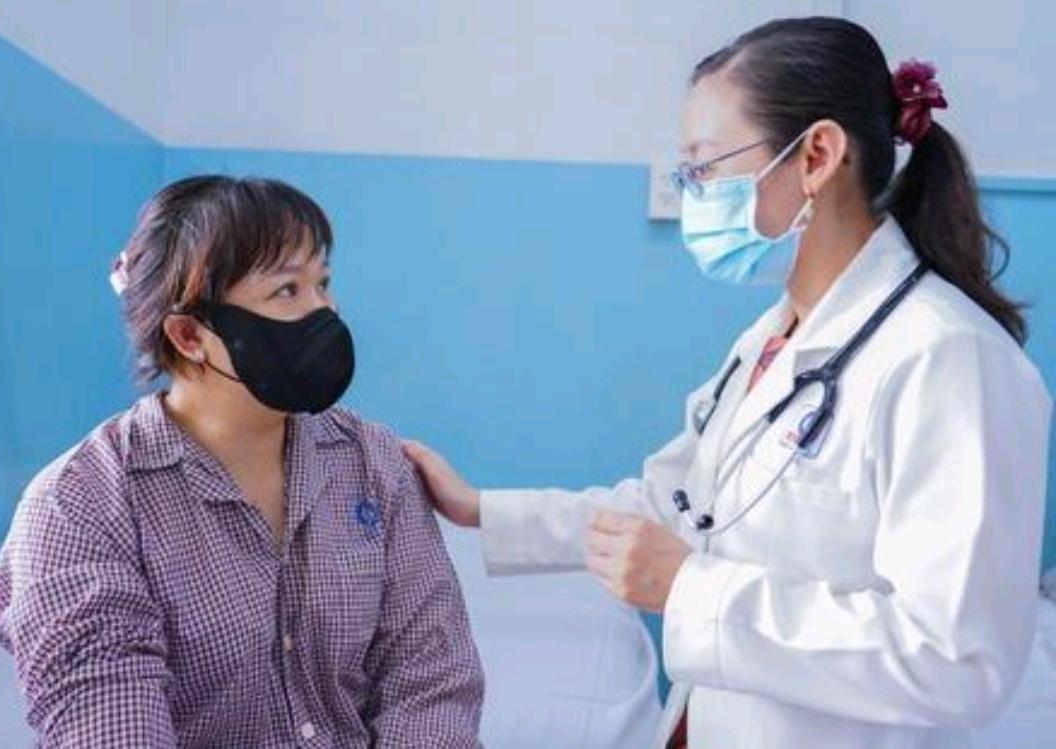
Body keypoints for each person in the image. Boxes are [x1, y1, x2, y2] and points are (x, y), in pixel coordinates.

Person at [404, 17, 1052, 749]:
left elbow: (957, 660)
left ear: (817, 155)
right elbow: (672, 506)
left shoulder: (949, 359)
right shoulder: (773, 341)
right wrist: (481, 510)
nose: (692, 194)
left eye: (705, 167)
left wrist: (692, 590)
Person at [0, 176, 485, 748]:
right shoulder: (80, 506)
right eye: (287, 290)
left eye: (323, 283)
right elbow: (108, 723)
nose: (325, 312)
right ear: (189, 335)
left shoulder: (376, 466)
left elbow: (430, 684)